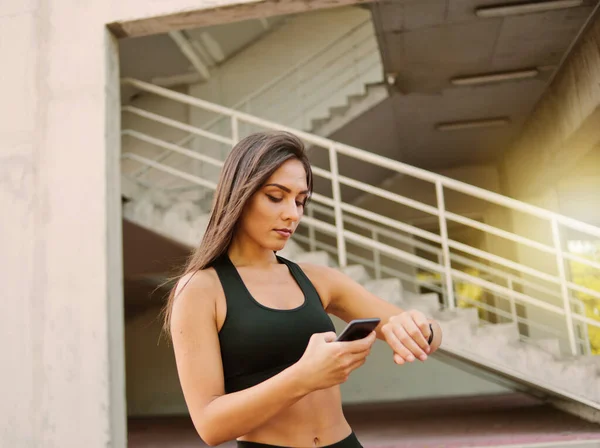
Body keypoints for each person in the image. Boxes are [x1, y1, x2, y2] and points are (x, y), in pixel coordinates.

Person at [163, 131, 442, 448]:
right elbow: (210, 426)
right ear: (239, 194)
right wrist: (304, 376)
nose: (292, 214)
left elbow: (429, 334)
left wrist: (420, 328)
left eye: (300, 201)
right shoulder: (201, 290)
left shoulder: (319, 280)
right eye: (275, 196)